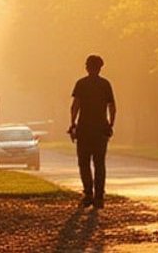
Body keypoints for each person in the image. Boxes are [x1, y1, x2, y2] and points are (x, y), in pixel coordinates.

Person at [69, 54, 116, 208]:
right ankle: (99, 197)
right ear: (100, 67)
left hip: (84, 129)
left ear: (87, 67)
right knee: (99, 163)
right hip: (101, 129)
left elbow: (75, 106)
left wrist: (73, 124)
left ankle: (88, 193)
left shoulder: (81, 84)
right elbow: (112, 107)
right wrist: (110, 124)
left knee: (83, 163)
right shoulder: (105, 84)